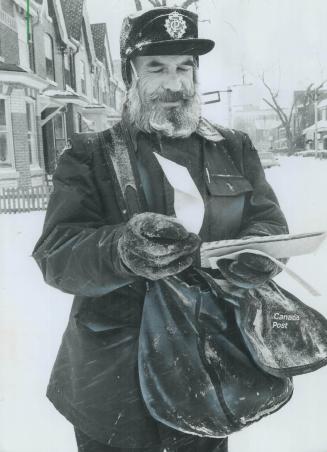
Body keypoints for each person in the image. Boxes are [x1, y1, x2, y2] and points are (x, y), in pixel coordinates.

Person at [33, 7, 288, 452]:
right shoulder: (89, 156)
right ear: (129, 74)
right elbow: (56, 254)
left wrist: (256, 254)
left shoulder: (232, 148)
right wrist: (120, 249)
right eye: (156, 68)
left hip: (208, 371)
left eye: (184, 68)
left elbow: (268, 224)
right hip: (114, 386)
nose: (174, 85)